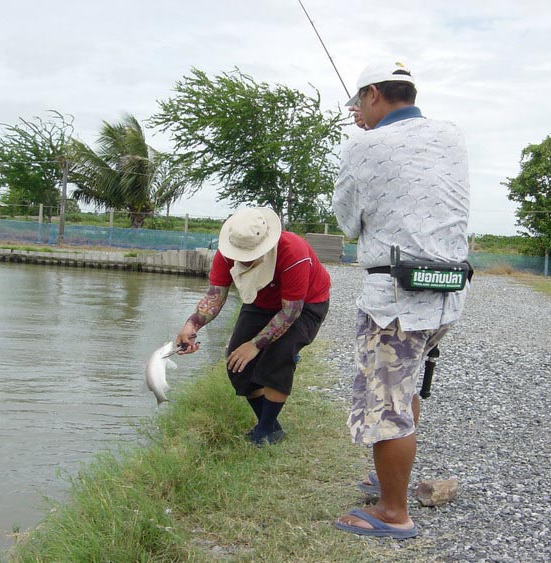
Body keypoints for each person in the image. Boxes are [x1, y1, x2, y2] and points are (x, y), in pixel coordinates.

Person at [332, 60, 470, 538]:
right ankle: (386, 476)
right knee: (405, 384)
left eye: (357, 105)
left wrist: (365, 138)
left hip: (396, 296)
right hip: (449, 291)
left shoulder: (363, 147)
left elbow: (348, 223)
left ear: (373, 94)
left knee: (386, 402)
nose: (356, 115)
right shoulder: (451, 136)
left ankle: (393, 512)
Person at [175, 207, 331, 445]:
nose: (244, 259)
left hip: (305, 304)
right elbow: (215, 296)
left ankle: (265, 431)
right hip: (260, 301)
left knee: (277, 357)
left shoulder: (293, 251)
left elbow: (291, 312)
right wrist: (192, 324)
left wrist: (255, 345)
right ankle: (270, 425)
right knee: (237, 364)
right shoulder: (226, 253)